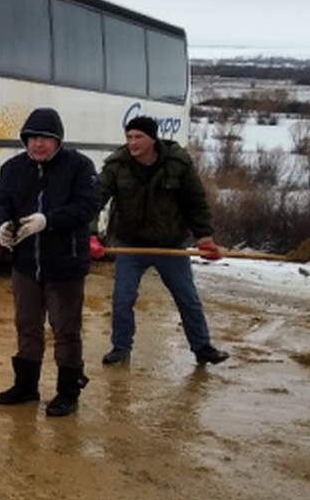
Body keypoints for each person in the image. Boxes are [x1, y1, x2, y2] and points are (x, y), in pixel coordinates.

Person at [0, 107, 100, 417]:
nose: (38, 145)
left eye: (45, 139)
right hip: (25, 264)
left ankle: (67, 391)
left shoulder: (79, 166)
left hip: (65, 265)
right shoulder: (13, 168)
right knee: (27, 325)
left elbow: (88, 205)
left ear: (58, 140)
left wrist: (48, 220)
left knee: (65, 329)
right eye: (32, 138)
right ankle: (25, 386)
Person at [95, 115, 228, 366]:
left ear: (152, 139)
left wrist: (205, 237)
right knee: (122, 299)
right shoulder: (117, 165)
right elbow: (94, 199)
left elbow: (195, 202)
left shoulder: (178, 163)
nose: (132, 143)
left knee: (187, 297)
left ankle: (202, 347)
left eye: (138, 137)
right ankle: (121, 347)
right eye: (129, 137)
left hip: (170, 245)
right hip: (131, 244)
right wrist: (90, 234)